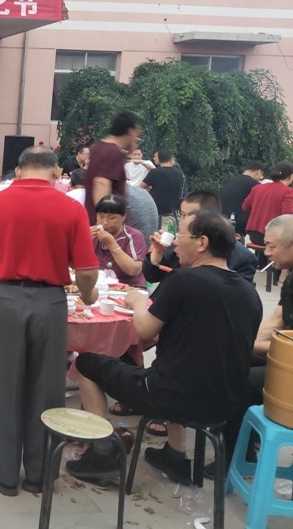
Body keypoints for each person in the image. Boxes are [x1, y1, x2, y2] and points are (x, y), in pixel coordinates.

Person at [66, 211, 261, 485]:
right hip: (225, 403)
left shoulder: (184, 280)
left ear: (202, 242)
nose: (175, 242)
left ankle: (102, 451)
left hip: (169, 396)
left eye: (180, 235)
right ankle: (175, 456)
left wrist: (136, 302)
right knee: (182, 368)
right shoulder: (248, 292)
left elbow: (144, 330)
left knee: (86, 363)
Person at [0, 146, 99, 496]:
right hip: (49, 302)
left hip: (4, 299)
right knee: (46, 390)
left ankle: (6, 477)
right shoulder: (71, 208)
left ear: (18, 169)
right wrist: (88, 295)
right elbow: (87, 270)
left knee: (3, 387)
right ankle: (39, 476)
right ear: (56, 172)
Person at [219, 214, 293, 470]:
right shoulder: (290, 277)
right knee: (232, 359)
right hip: (286, 352)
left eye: (272, 246)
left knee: (242, 381)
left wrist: (246, 345)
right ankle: (247, 442)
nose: (267, 252)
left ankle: (234, 460)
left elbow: (285, 347)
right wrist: (240, 341)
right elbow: (277, 320)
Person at [143, 191, 258, 285]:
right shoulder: (180, 241)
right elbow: (151, 276)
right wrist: (158, 252)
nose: (184, 221)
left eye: (191, 216)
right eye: (182, 215)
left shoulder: (241, 257)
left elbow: (237, 297)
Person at [84, 110, 142, 222]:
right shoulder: (113, 152)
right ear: (131, 131)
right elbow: (101, 183)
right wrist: (104, 223)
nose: (136, 138)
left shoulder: (99, 147)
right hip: (109, 226)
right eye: (137, 133)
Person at [91, 194, 147, 287]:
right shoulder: (91, 233)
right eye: (101, 216)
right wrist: (82, 243)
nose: (105, 222)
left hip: (129, 288)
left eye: (111, 218)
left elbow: (134, 270)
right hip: (97, 286)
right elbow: (73, 266)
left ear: (123, 217)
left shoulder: (133, 236)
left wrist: (112, 244)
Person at [242, 161, 293, 245]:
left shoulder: (257, 188)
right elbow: (288, 216)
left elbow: (245, 207)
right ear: (290, 176)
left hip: (253, 234)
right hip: (273, 235)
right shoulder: (288, 192)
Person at [141, 148, 185, 229]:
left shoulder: (155, 172)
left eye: (155, 156)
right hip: (171, 213)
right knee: (168, 235)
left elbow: (141, 187)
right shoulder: (179, 174)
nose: (154, 158)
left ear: (159, 158)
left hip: (155, 212)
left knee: (154, 235)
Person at [220, 160, 265, 237]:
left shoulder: (229, 181)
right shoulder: (255, 185)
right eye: (261, 175)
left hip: (223, 218)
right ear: (258, 172)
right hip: (240, 222)